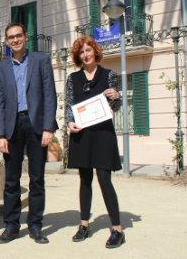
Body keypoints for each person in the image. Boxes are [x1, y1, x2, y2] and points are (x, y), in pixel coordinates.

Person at [0, 23, 58, 244]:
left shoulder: (41, 61)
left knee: (37, 179)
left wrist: (48, 128)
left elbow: (50, 95)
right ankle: (11, 226)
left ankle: (36, 226)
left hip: (36, 125)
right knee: (11, 181)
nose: (15, 40)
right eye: (10, 37)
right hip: (11, 128)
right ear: (6, 41)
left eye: (18, 36)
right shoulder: (0, 68)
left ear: (25, 37)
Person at [65, 36, 125, 248]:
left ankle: (117, 229)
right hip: (82, 134)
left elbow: (115, 108)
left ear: (95, 51)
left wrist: (117, 96)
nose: (85, 55)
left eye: (88, 50)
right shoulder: (72, 78)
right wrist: (69, 123)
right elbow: (69, 106)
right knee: (84, 179)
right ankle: (84, 225)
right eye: (81, 52)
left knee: (104, 178)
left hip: (103, 134)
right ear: (78, 56)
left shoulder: (109, 76)